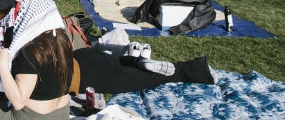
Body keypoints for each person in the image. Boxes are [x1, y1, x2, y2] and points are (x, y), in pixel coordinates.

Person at [0, 0, 71, 120]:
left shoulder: (32, 51)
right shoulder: (62, 40)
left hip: (31, 116)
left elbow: (18, 102)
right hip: (62, 114)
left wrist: (2, 66)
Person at [72, 45, 216, 95]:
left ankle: (191, 69)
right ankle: (135, 59)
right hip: (81, 55)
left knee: (146, 78)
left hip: (85, 75)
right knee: (118, 63)